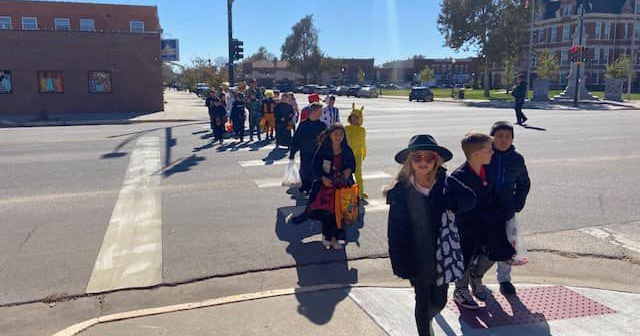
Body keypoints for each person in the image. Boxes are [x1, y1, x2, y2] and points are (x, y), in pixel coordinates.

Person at [386, 134, 476, 336]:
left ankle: (428, 319)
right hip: (416, 257)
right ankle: (424, 331)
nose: (424, 162)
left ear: (437, 159)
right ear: (410, 161)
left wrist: (448, 201)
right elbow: (395, 231)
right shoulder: (401, 191)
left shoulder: (445, 182)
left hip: (442, 255)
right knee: (423, 301)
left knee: (439, 301)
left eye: (429, 157)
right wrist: (400, 262)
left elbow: (470, 200)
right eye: (417, 157)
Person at [451, 133, 515, 310]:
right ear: (477, 154)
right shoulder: (459, 176)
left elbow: (494, 194)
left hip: (489, 222)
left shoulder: (489, 169)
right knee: (465, 257)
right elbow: (458, 207)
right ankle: (461, 289)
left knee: (495, 252)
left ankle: (476, 276)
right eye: (489, 150)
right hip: (467, 226)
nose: (492, 153)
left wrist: (504, 212)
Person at [489, 121, 531, 295]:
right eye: (499, 136)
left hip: (507, 210)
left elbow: (524, 183)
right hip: (485, 210)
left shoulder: (516, 159)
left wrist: (517, 203)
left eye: (508, 136)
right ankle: (474, 279)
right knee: (480, 247)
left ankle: (504, 279)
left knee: (507, 246)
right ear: (491, 137)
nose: (503, 140)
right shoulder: (484, 154)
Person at [306, 124, 356, 249]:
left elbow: (353, 164)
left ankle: (336, 238)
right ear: (330, 135)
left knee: (342, 214)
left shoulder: (346, 149)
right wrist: (323, 178)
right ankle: (326, 236)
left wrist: (349, 170)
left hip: (342, 187)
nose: (338, 137)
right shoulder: (323, 149)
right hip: (326, 187)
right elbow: (315, 166)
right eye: (336, 134)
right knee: (328, 214)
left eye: (341, 134)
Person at [289, 102, 327, 198]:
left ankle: (312, 189)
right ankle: (305, 187)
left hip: (318, 153)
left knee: (316, 171)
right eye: (320, 111)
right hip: (306, 152)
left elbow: (327, 140)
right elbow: (297, 138)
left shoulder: (322, 125)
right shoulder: (304, 124)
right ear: (314, 111)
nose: (321, 113)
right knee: (305, 170)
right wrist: (292, 152)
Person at [345, 103, 368, 199]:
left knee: (358, 173)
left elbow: (363, 142)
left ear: (360, 119)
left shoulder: (362, 130)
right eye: (353, 117)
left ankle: (360, 192)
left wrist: (364, 152)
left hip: (357, 155)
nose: (354, 119)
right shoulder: (346, 128)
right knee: (347, 173)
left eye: (357, 117)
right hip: (347, 155)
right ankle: (347, 191)